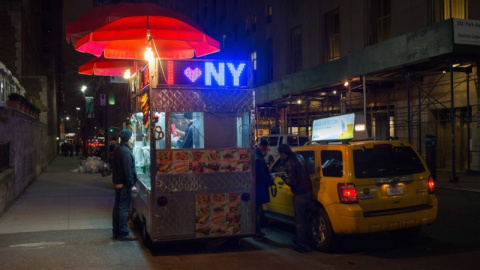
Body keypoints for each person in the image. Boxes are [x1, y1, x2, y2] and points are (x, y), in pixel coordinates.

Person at [278, 144, 313, 253]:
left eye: (280, 155)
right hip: (309, 191)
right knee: (306, 218)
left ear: (284, 154)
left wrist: (282, 176)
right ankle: (305, 240)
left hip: (300, 193)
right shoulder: (299, 157)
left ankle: (302, 245)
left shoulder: (290, 163)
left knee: (299, 220)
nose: (280, 157)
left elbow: (292, 182)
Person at [112, 129, 138, 241]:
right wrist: (131, 185)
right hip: (124, 186)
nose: (133, 139)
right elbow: (127, 171)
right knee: (123, 209)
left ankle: (116, 232)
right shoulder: (126, 152)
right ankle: (123, 233)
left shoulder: (118, 149)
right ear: (127, 139)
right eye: (131, 137)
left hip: (118, 183)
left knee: (118, 208)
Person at [254, 139, 274, 241]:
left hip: (257, 189)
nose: (268, 151)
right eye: (267, 148)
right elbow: (260, 176)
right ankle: (256, 232)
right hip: (258, 190)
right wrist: (270, 180)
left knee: (257, 211)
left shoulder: (257, 156)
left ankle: (257, 231)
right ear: (264, 148)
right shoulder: (258, 159)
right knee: (257, 212)